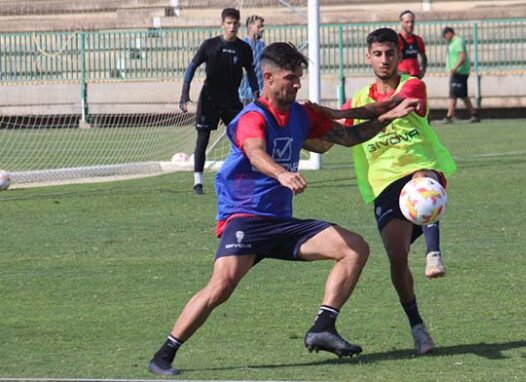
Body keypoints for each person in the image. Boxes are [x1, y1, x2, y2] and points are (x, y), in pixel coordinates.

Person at [147, 42, 419, 376]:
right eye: (290, 78)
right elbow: (255, 151)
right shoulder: (252, 117)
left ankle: (323, 327)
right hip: (245, 218)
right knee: (220, 288)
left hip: (281, 223)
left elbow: (347, 137)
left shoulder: (301, 115)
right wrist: (282, 173)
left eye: (299, 78)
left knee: (354, 248)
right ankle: (165, 353)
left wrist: (386, 118)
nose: (297, 85)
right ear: (268, 78)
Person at [321, 28, 457, 355]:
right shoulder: (357, 99)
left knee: (423, 183)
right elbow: (332, 137)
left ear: (399, 55)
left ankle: (434, 253)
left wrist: (336, 113)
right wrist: (304, 129)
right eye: (378, 54)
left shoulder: (413, 84)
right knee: (396, 259)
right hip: (384, 184)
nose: (384, 60)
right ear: (368, 57)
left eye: (390, 54)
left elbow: (393, 104)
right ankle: (418, 327)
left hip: (418, 168)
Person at [179, 8, 259, 196]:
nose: (232, 27)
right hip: (209, 99)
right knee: (203, 139)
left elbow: (251, 72)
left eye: (235, 23)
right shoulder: (210, 45)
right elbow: (192, 66)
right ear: (222, 24)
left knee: (242, 139)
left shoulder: (244, 48)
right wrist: (185, 92)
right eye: (228, 23)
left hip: (232, 100)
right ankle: (198, 182)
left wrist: (256, 94)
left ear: (239, 25)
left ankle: (240, 178)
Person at [440, 26, 479, 124]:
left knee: (453, 94)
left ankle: (449, 116)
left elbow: (462, 56)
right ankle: (473, 114)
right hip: (458, 72)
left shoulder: (457, 42)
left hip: (459, 72)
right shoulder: (452, 42)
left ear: (450, 33)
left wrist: (455, 68)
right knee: (462, 95)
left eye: (445, 35)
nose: (445, 38)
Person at [238, 15, 266, 105]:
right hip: (244, 93)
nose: (262, 29)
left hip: (260, 91)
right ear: (250, 27)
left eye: (262, 26)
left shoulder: (262, 45)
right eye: (259, 26)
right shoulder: (242, 45)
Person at [397, 10, 428, 79]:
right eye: (407, 22)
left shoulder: (418, 39)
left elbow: (423, 57)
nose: (410, 24)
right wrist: (397, 72)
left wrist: (423, 70)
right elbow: (391, 59)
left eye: (412, 22)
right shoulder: (397, 40)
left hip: (415, 76)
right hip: (401, 77)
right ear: (401, 23)